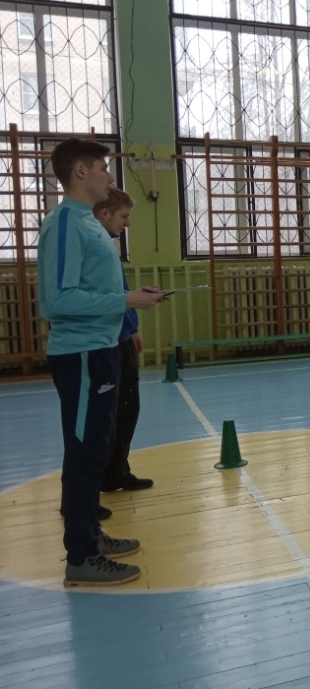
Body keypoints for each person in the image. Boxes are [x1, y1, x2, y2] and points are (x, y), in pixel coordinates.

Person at [39, 139, 164, 587]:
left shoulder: (86, 224)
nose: (109, 176)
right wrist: (127, 300)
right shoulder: (65, 224)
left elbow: (94, 290)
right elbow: (59, 300)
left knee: (96, 447)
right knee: (85, 453)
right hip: (81, 355)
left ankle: (91, 535)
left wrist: (130, 299)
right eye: (103, 167)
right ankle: (82, 557)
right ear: (80, 172)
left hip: (101, 349)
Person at [91, 188, 155, 493]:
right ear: (104, 214)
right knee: (111, 414)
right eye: (124, 216)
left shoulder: (109, 246)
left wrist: (132, 328)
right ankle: (104, 475)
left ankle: (117, 470)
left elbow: (120, 292)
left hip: (122, 336)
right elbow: (107, 297)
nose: (127, 223)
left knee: (128, 411)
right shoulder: (96, 247)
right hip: (108, 342)